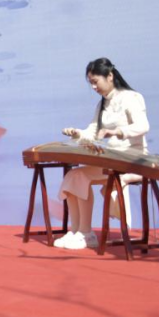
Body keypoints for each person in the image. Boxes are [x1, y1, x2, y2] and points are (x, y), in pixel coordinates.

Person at [54, 58, 150, 251]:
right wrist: (77, 133)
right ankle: (76, 230)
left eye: (95, 81)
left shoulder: (132, 97)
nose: (93, 87)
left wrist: (116, 132)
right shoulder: (103, 104)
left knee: (80, 176)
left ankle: (86, 233)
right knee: (72, 175)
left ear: (110, 76)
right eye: (91, 83)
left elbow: (143, 126)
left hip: (132, 160)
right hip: (113, 159)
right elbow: (92, 131)